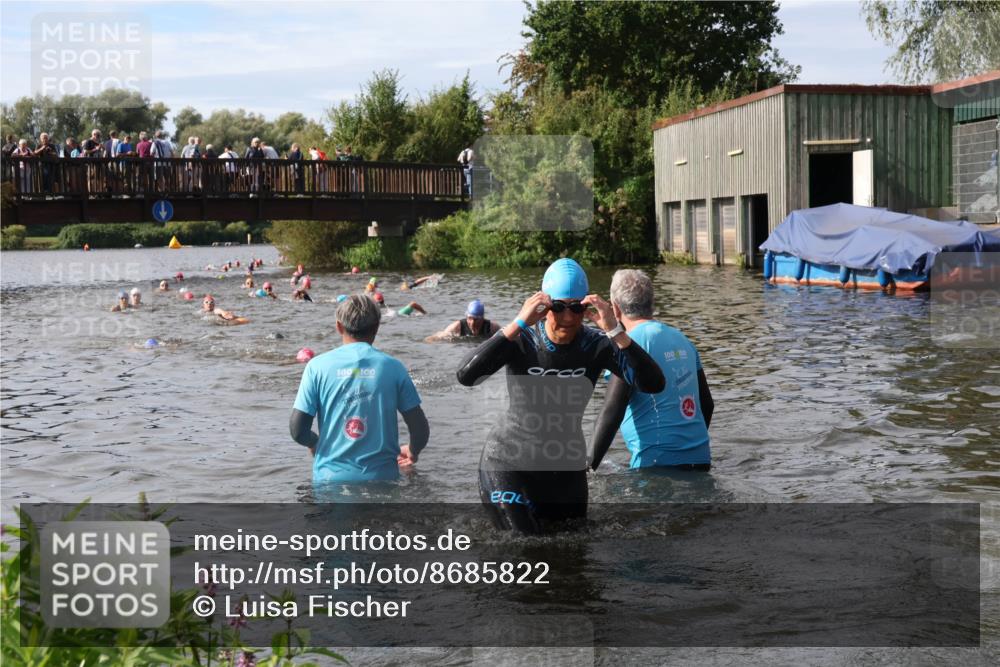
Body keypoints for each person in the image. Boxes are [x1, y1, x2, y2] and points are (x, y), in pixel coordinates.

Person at [455, 258, 665, 533]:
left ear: (587, 306)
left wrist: (615, 330)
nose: (568, 317)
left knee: (574, 559)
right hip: (508, 462)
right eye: (558, 307)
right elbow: (466, 376)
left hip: (564, 470)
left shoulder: (597, 345)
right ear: (542, 306)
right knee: (523, 545)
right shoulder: (521, 341)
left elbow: (653, 384)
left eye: (576, 308)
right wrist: (518, 321)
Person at [289, 294, 430, 483]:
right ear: (377, 327)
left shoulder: (316, 367)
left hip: (330, 480)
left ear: (339, 326)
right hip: (382, 480)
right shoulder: (393, 367)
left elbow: (297, 430)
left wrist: (315, 443)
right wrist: (412, 452)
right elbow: (420, 429)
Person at [590, 270, 714, 472]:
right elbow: (706, 405)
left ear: (615, 308)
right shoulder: (684, 340)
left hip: (655, 465)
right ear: (652, 303)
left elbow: (612, 411)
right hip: (700, 460)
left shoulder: (628, 346)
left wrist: (586, 468)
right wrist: (685, 450)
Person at [428, 299, 500, 340]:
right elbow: (439, 336)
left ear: (482, 318)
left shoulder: (492, 327)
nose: (472, 323)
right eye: (470, 318)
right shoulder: (457, 327)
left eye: (476, 319)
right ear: (466, 316)